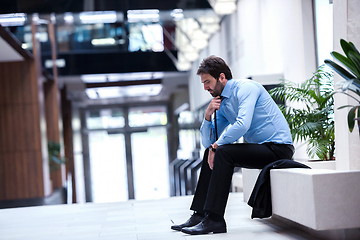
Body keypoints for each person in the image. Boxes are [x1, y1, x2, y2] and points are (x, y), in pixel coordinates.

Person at [171, 56, 294, 235]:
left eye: (207, 82)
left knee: (223, 152)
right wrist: (207, 116)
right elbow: (208, 142)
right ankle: (199, 215)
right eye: (203, 83)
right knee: (212, 152)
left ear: (221, 77)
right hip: (261, 149)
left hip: (278, 148)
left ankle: (214, 220)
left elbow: (242, 124)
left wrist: (216, 146)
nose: (205, 87)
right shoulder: (222, 101)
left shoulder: (246, 88)